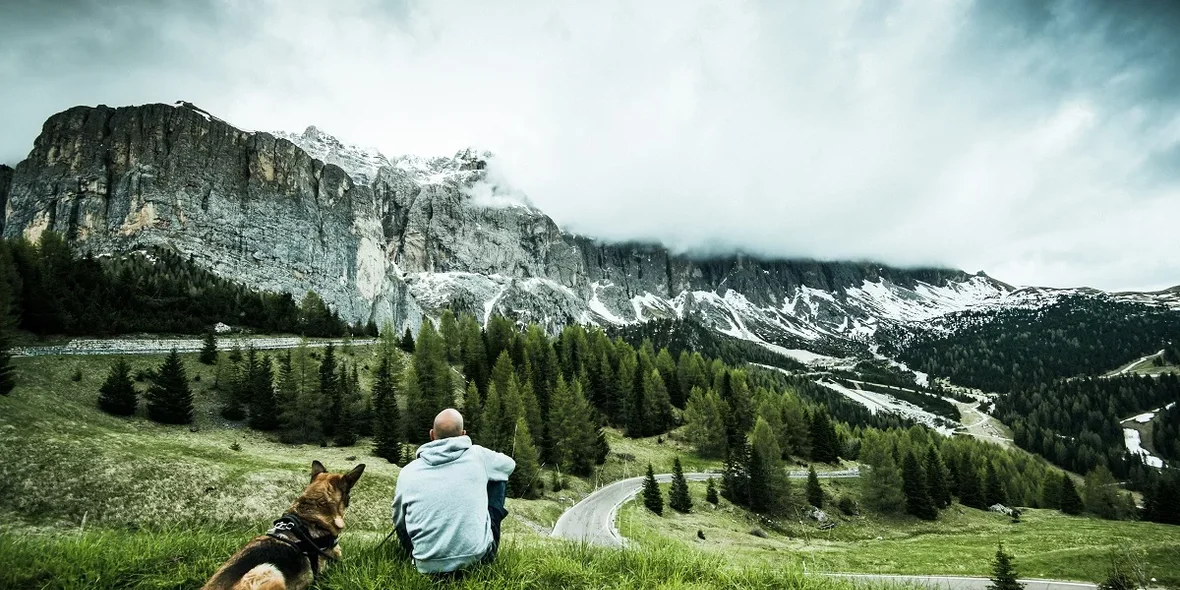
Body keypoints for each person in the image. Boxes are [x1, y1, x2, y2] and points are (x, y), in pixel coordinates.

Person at [391, 408, 515, 574]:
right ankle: (479, 540)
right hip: (478, 560)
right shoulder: (478, 456)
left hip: (426, 567)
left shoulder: (407, 471)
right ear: (463, 434)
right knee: (499, 479)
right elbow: (509, 465)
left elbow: (399, 522)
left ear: (432, 435)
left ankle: (421, 556)